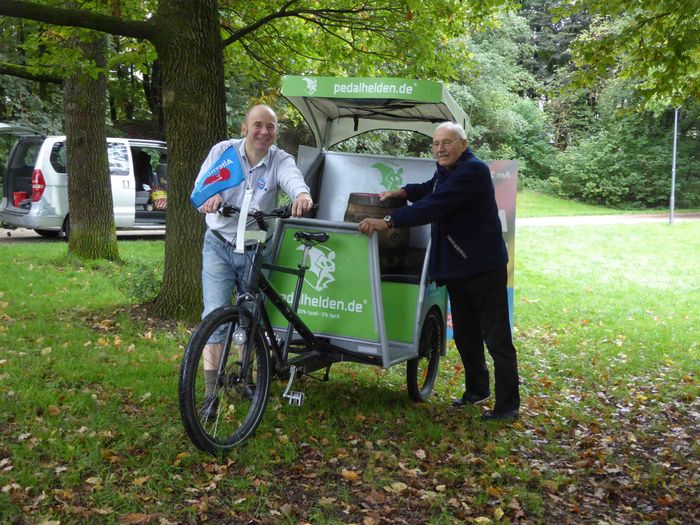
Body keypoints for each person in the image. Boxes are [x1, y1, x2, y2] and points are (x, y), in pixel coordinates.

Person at [358, 122, 520, 421]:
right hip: (459, 268)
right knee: (465, 335)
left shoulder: (473, 171)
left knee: (496, 338)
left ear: (463, 143)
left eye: (447, 142)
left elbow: (435, 204)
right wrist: (403, 191)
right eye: (435, 144)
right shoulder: (447, 171)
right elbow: (429, 189)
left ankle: (507, 406)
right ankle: (477, 390)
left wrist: (390, 221)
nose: (440, 149)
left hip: (483, 267)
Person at [193, 104, 313, 419]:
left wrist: (301, 197)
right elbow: (201, 188)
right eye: (257, 125)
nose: (264, 132)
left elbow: (294, 180)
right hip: (219, 244)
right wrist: (211, 198)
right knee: (215, 316)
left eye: (270, 126)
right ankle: (210, 395)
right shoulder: (224, 152)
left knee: (249, 318)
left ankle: (244, 380)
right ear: (245, 128)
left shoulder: (280, 160)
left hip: (257, 248)